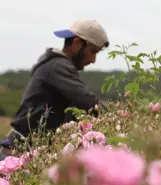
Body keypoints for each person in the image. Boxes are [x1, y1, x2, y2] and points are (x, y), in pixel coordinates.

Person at [0, 19, 110, 160]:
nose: (93, 60)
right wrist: (118, 121)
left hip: (25, 151)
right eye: (93, 51)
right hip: (18, 153)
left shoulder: (55, 64)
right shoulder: (57, 66)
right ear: (77, 43)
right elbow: (87, 102)